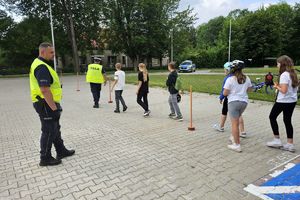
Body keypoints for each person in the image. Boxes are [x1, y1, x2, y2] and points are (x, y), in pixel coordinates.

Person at [29, 42, 75, 166]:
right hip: (45, 103)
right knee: (48, 130)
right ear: (43, 52)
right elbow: (44, 89)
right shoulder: (41, 67)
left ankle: (61, 150)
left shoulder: (41, 64)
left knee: (55, 128)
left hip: (47, 102)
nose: (54, 55)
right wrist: (54, 108)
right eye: (51, 52)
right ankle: (45, 158)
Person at [267, 55, 298, 152]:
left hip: (283, 101)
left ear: (282, 64)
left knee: (272, 117)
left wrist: (277, 87)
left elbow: (284, 90)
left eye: (278, 63)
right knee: (287, 120)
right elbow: (292, 88)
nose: (277, 65)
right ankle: (290, 144)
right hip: (292, 101)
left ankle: (277, 140)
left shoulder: (284, 75)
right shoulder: (293, 73)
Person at [223, 60, 252, 152]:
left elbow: (225, 93)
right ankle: (233, 137)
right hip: (244, 102)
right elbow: (250, 89)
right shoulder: (247, 78)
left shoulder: (230, 79)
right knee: (237, 120)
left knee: (234, 124)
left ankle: (237, 144)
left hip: (233, 102)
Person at [214, 62, 247, 138]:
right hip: (241, 99)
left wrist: (221, 97)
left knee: (224, 112)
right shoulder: (241, 77)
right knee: (239, 115)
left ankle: (221, 127)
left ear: (228, 70)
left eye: (225, 70)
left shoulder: (228, 78)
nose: (224, 71)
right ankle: (243, 131)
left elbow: (224, 90)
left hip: (230, 99)